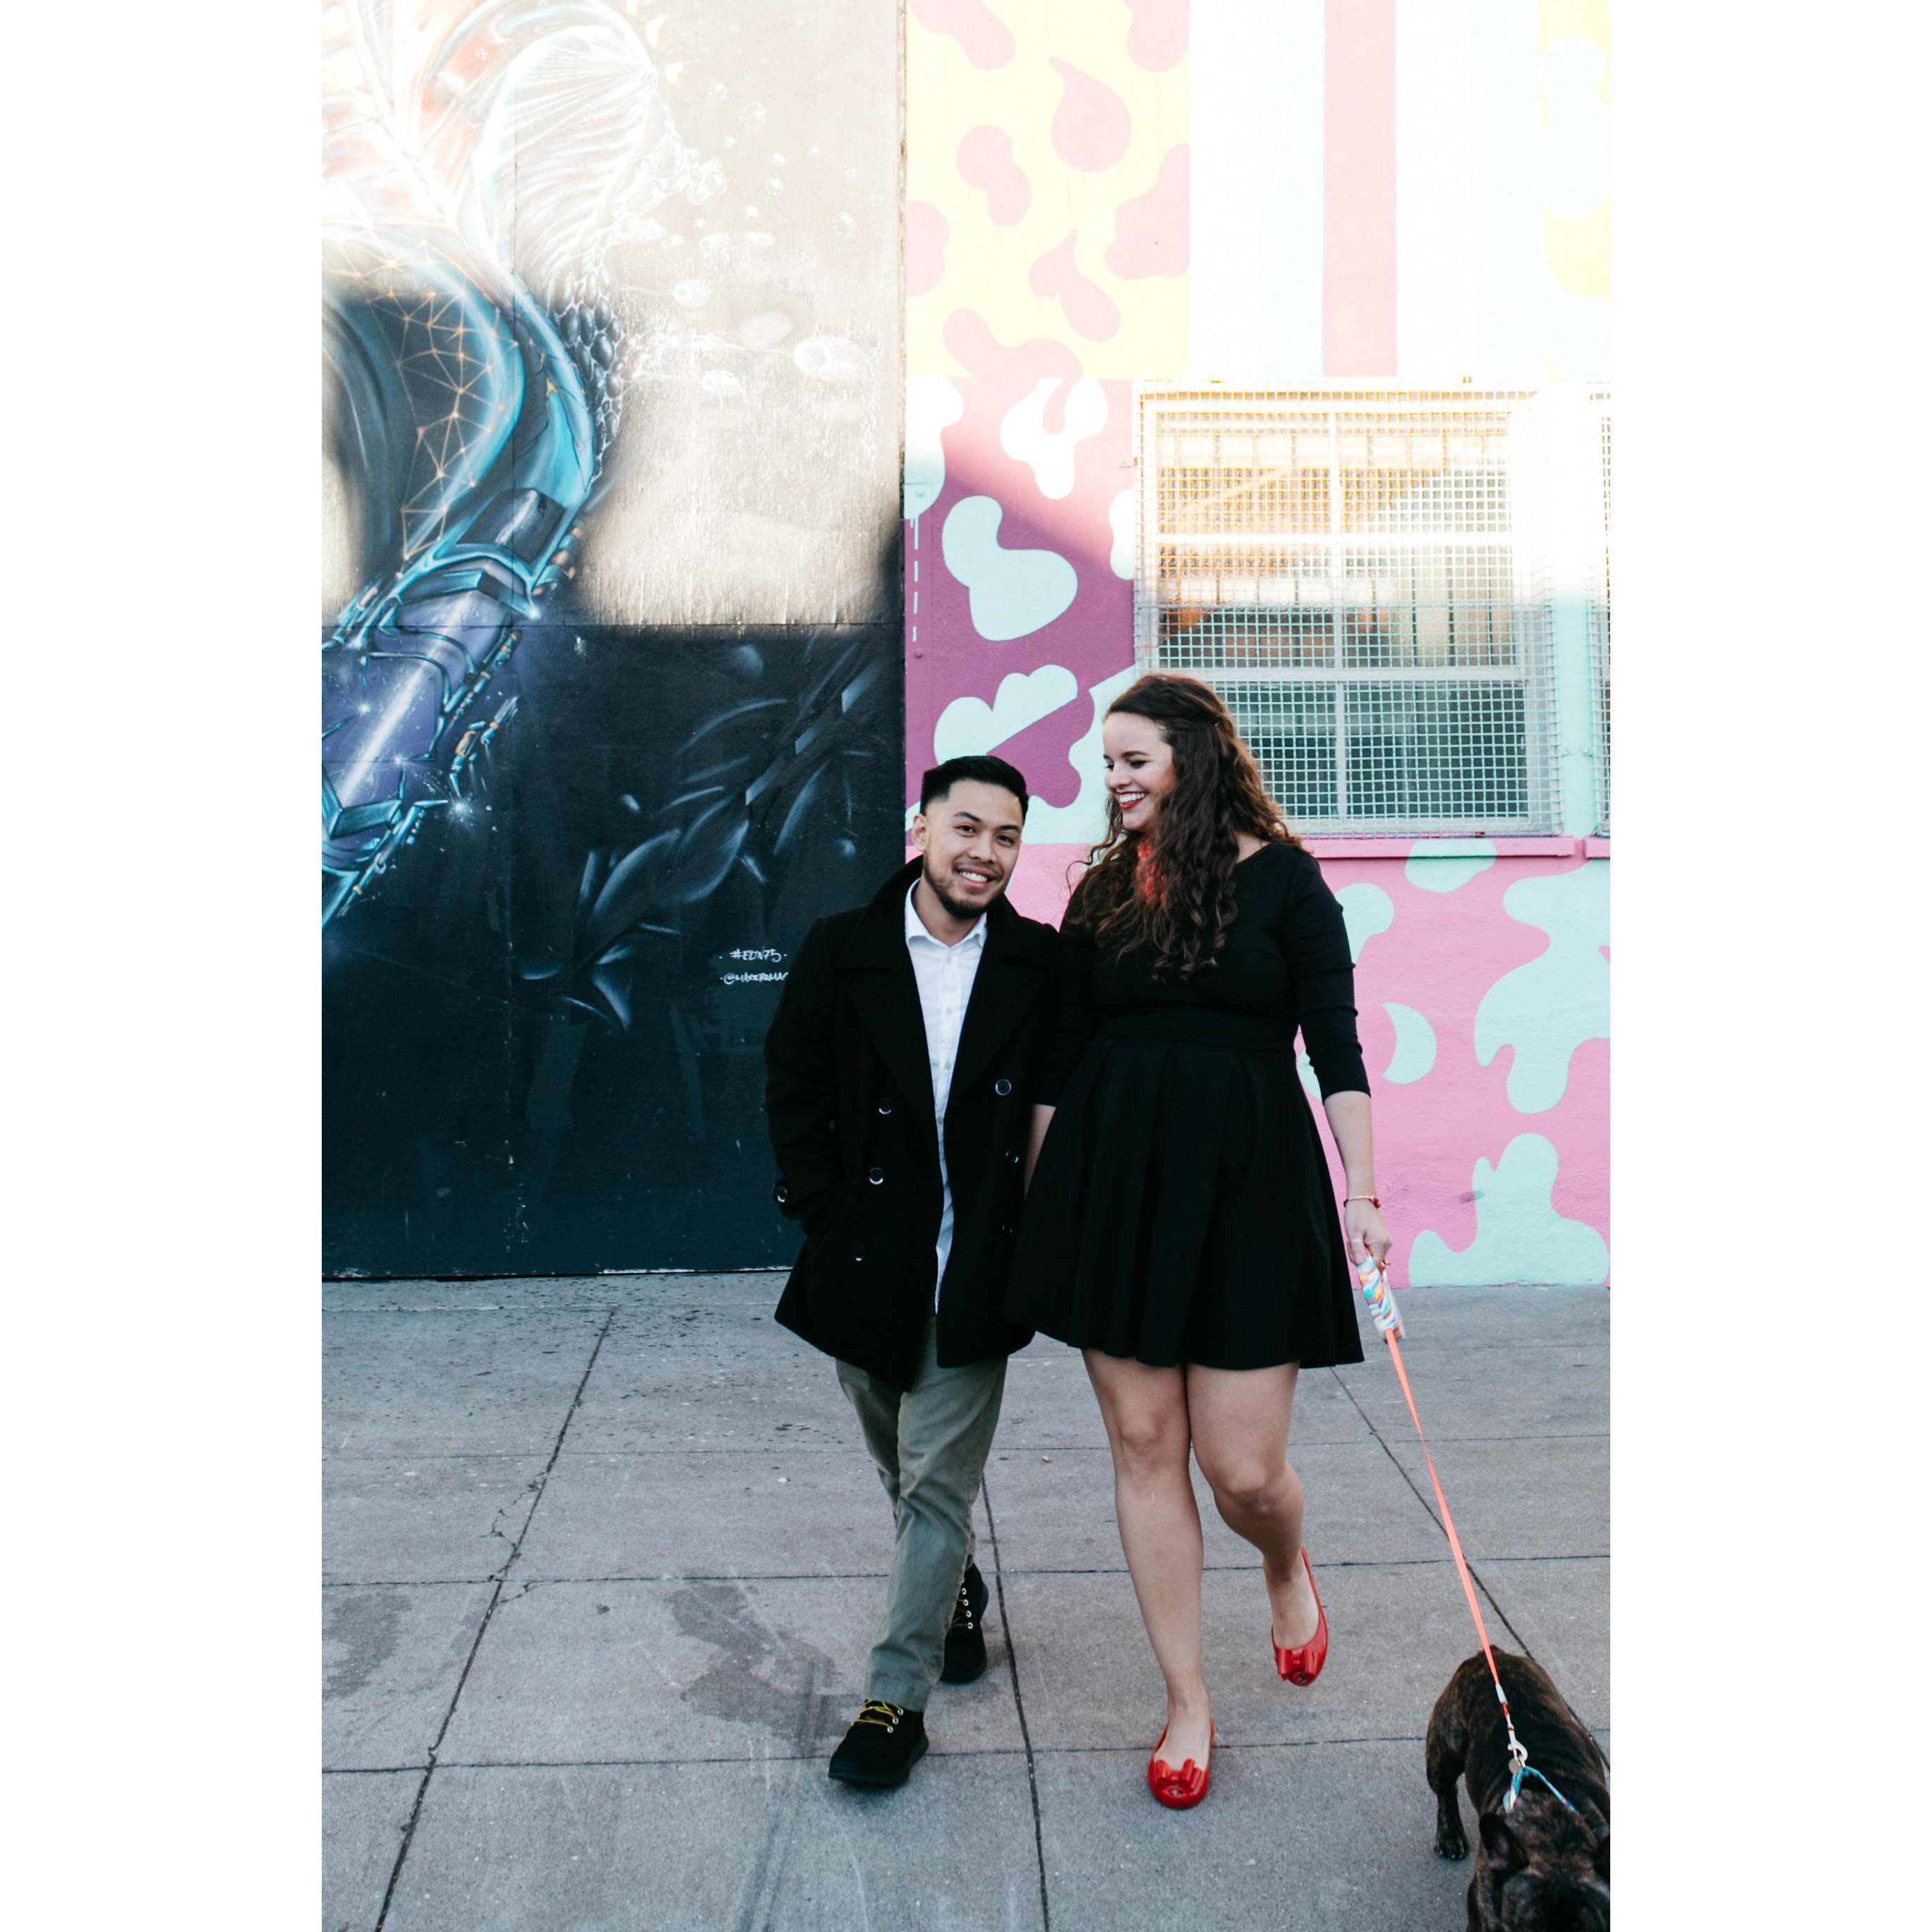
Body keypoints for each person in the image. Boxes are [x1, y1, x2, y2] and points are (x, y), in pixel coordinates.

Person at [1005, 675, 1393, 1810]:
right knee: (1142, 1440)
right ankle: (1185, 1700)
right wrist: (1042, 1203)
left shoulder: (1286, 881)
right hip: (1112, 1183)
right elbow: (1056, 1060)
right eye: (1108, 762)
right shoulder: (1103, 891)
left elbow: (1335, 1045)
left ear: (1194, 753)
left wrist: (1363, 1190)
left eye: (1134, 759)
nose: (1114, 779)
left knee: (1242, 1469)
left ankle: (1281, 1561)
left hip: (1248, 1184)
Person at [763, 754, 1059, 1789]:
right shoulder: (840, 947)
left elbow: (1057, 1104)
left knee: (936, 1482)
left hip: (974, 1263)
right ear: (921, 828)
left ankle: (895, 1698)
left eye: (1007, 836)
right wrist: (823, 1211)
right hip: (863, 1258)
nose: (986, 853)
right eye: (967, 827)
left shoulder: (1037, 963)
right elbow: (793, 1084)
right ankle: (954, 1588)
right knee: (900, 1463)